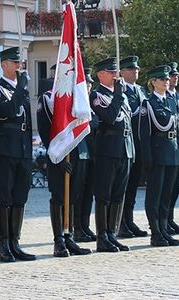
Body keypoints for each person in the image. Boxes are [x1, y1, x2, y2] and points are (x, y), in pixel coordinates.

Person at [36, 72, 92, 257]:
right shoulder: (49, 98)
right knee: (59, 197)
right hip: (59, 153)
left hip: (78, 150)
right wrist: (56, 155)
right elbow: (45, 128)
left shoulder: (78, 94)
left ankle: (70, 236)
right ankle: (58, 240)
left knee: (74, 196)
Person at [0, 47, 36, 262]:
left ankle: (15, 242)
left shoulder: (21, 90)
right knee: (4, 197)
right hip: (4, 150)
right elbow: (6, 113)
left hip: (23, 149)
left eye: (20, 63)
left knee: (20, 196)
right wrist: (21, 89)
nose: (18, 67)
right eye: (14, 63)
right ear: (4, 64)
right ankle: (3, 244)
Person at [89, 57, 134, 252]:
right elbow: (109, 117)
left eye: (116, 72)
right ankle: (102, 236)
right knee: (104, 195)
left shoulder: (120, 95)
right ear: (101, 75)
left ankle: (113, 233)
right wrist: (117, 95)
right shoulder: (97, 95)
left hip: (124, 149)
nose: (116, 75)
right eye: (111, 72)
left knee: (118, 195)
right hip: (107, 149)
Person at [140, 65, 179, 246]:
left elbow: (178, 130)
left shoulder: (172, 102)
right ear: (153, 82)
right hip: (157, 152)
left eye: (167, 79)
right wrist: (147, 157)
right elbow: (144, 134)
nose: (167, 82)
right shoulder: (148, 104)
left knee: (167, 194)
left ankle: (164, 229)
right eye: (162, 79)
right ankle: (155, 232)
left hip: (172, 152)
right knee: (155, 194)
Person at [118, 56, 148, 238]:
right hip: (126, 142)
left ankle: (129, 220)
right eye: (130, 69)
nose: (135, 71)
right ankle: (120, 222)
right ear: (122, 72)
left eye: (136, 69)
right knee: (124, 185)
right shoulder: (119, 90)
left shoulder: (142, 90)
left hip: (139, 143)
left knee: (134, 185)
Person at [73, 68, 98, 242]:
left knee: (88, 192)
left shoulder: (90, 102)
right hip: (79, 152)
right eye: (86, 83)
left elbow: (96, 121)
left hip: (91, 153)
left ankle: (85, 225)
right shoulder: (76, 103)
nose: (88, 86)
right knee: (78, 193)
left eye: (89, 83)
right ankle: (76, 227)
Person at [165, 61, 179, 235]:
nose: (175, 78)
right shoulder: (162, 97)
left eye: (176, 75)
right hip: (166, 148)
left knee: (175, 188)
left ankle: (170, 218)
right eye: (172, 75)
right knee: (165, 188)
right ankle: (162, 220)